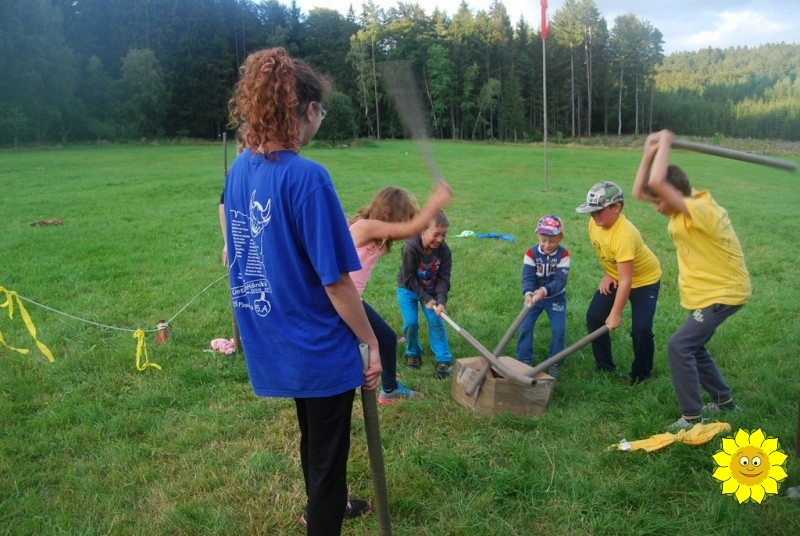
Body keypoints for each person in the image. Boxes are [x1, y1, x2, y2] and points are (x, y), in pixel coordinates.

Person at [223, 47, 379, 534]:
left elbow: (230, 243)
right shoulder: (308, 178)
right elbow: (337, 282)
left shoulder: (240, 168)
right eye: (321, 112)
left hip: (280, 340)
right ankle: (324, 512)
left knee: (314, 438)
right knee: (328, 457)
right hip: (318, 348)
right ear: (308, 110)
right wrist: (371, 342)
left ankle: (323, 503)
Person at [633, 129, 750, 431]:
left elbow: (657, 184)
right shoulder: (685, 204)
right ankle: (725, 402)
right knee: (694, 347)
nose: (655, 206)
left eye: (659, 202)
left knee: (679, 346)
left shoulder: (702, 210)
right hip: (708, 292)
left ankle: (691, 417)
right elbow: (642, 191)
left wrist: (664, 145)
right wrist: (648, 153)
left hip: (722, 293)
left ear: (673, 193)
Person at [349, 183, 452, 403]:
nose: (404, 225)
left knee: (385, 338)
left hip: (352, 299)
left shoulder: (376, 234)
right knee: (363, 344)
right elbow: (412, 230)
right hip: (342, 301)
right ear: (392, 214)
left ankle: (389, 389)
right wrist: (436, 201)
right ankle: (358, 387)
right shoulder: (364, 227)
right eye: (404, 218)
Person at [575, 181, 662, 385]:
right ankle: (604, 366)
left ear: (616, 208)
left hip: (644, 281)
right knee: (595, 317)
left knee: (641, 329)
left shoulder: (624, 235)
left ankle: (641, 374)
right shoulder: (595, 224)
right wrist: (608, 273)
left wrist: (615, 314)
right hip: (619, 276)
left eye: (599, 211)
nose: (594, 216)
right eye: (591, 212)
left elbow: (627, 280)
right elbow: (606, 254)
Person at [396, 209, 454, 379]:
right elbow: (409, 278)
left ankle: (443, 359)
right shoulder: (410, 248)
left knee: (436, 321)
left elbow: (443, 279)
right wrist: (426, 298)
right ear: (422, 230)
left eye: (444, 235)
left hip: (431, 289)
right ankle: (413, 352)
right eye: (436, 234)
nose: (440, 239)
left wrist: (441, 301)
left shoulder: (444, 251)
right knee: (410, 323)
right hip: (408, 289)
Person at [515, 214, 570, 377]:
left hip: (555, 298)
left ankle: (555, 361)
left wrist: (544, 291)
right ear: (538, 236)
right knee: (525, 326)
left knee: (558, 330)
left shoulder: (564, 255)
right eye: (543, 240)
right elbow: (528, 277)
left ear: (560, 237)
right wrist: (528, 293)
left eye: (552, 241)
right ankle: (524, 359)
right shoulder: (531, 253)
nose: (547, 245)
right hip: (534, 298)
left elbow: (560, 281)